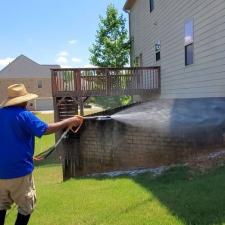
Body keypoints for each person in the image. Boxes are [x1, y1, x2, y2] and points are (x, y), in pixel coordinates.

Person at [0, 83, 82, 225]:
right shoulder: (24, 115)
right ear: (24, 101)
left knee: (1, 206)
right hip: (19, 171)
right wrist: (70, 120)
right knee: (26, 207)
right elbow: (45, 129)